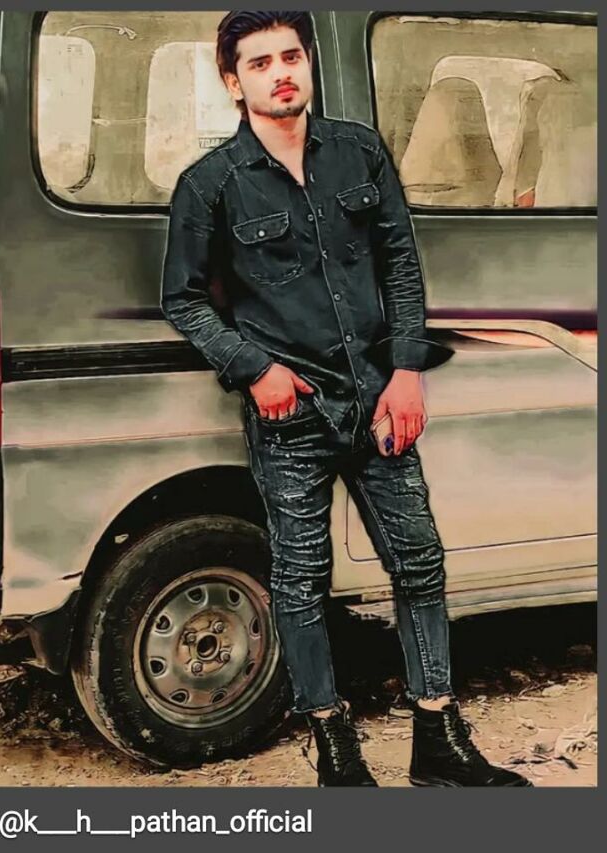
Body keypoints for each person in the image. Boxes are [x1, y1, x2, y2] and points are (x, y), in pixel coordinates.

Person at [161, 10, 532, 788]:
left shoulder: (358, 151)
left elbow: (400, 263)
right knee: (301, 580)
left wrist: (406, 369)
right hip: (291, 414)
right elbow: (183, 299)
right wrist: (254, 369)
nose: (280, 73)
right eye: (259, 63)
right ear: (233, 82)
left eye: (290, 56)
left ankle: (438, 738)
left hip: (379, 400)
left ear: (308, 63)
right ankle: (336, 751)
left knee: (419, 560)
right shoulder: (211, 184)